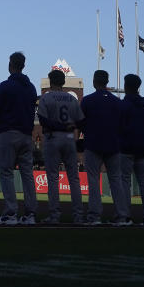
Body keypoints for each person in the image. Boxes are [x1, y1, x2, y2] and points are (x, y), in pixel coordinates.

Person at [0, 51, 38, 226]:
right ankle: (30, 214)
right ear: (23, 65)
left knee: (6, 173)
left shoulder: (5, 85)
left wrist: (1, 127)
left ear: (11, 64)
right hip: (26, 135)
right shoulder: (31, 87)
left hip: (9, 133)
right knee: (27, 174)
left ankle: (11, 213)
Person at [80, 69, 131, 225]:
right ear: (107, 82)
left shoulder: (87, 100)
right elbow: (123, 126)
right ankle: (122, 215)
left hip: (93, 144)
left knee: (94, 180)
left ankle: (95, 216)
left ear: (95, 81)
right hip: (113, 145)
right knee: (116, 180)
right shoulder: (118, 102)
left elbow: (81, 123)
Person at [37, 69, 85, 224]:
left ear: (51, 82)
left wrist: (60, 127)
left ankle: (54, 215)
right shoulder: (72, 99)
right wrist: (70, 128)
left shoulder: (46, 97)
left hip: (53, 137)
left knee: (52, 178)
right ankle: (78, 215)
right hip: (70, 138)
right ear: (63, 82)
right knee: (74, 178)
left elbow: (43, 122)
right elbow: (81, 121)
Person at [119, 73, 144, 225]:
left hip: (127, 147)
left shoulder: (124, 104)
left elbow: (119, 126)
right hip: (143, 148)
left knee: (125, 181)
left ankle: (126, 216)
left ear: (126, 86)